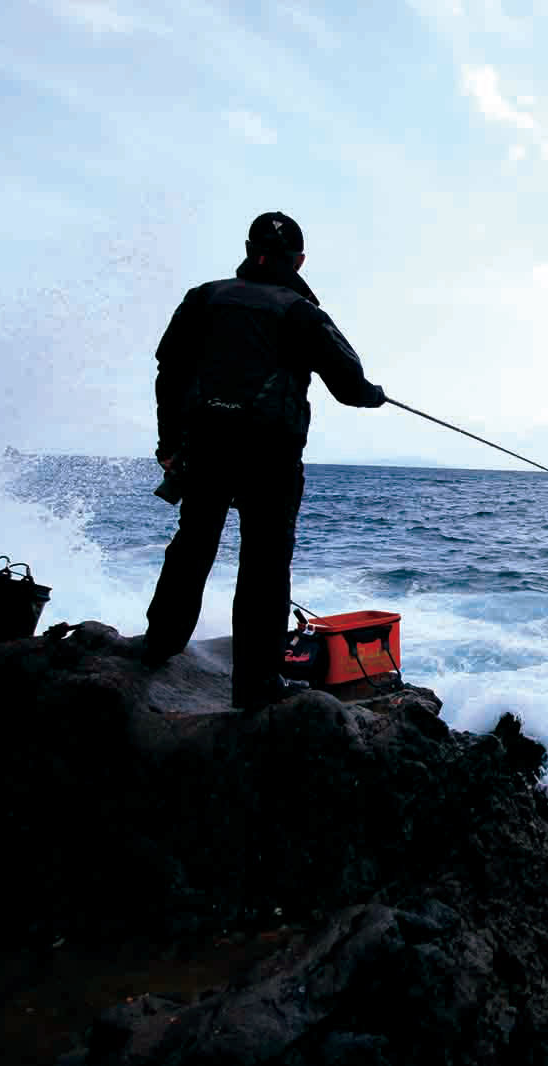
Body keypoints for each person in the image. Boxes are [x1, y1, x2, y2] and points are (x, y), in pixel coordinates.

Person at [140, 212, 386, 710]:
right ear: (298, 260)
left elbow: (169, 370)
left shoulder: (204, 297)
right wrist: (375, 395)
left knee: (193, 543)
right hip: (270, 458)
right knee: (265, 564)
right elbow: (350, 384)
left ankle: (159, 645)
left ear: (251, 249)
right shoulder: (301, 313)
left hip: (204, 446)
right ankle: (254, 686)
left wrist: (169, 443)